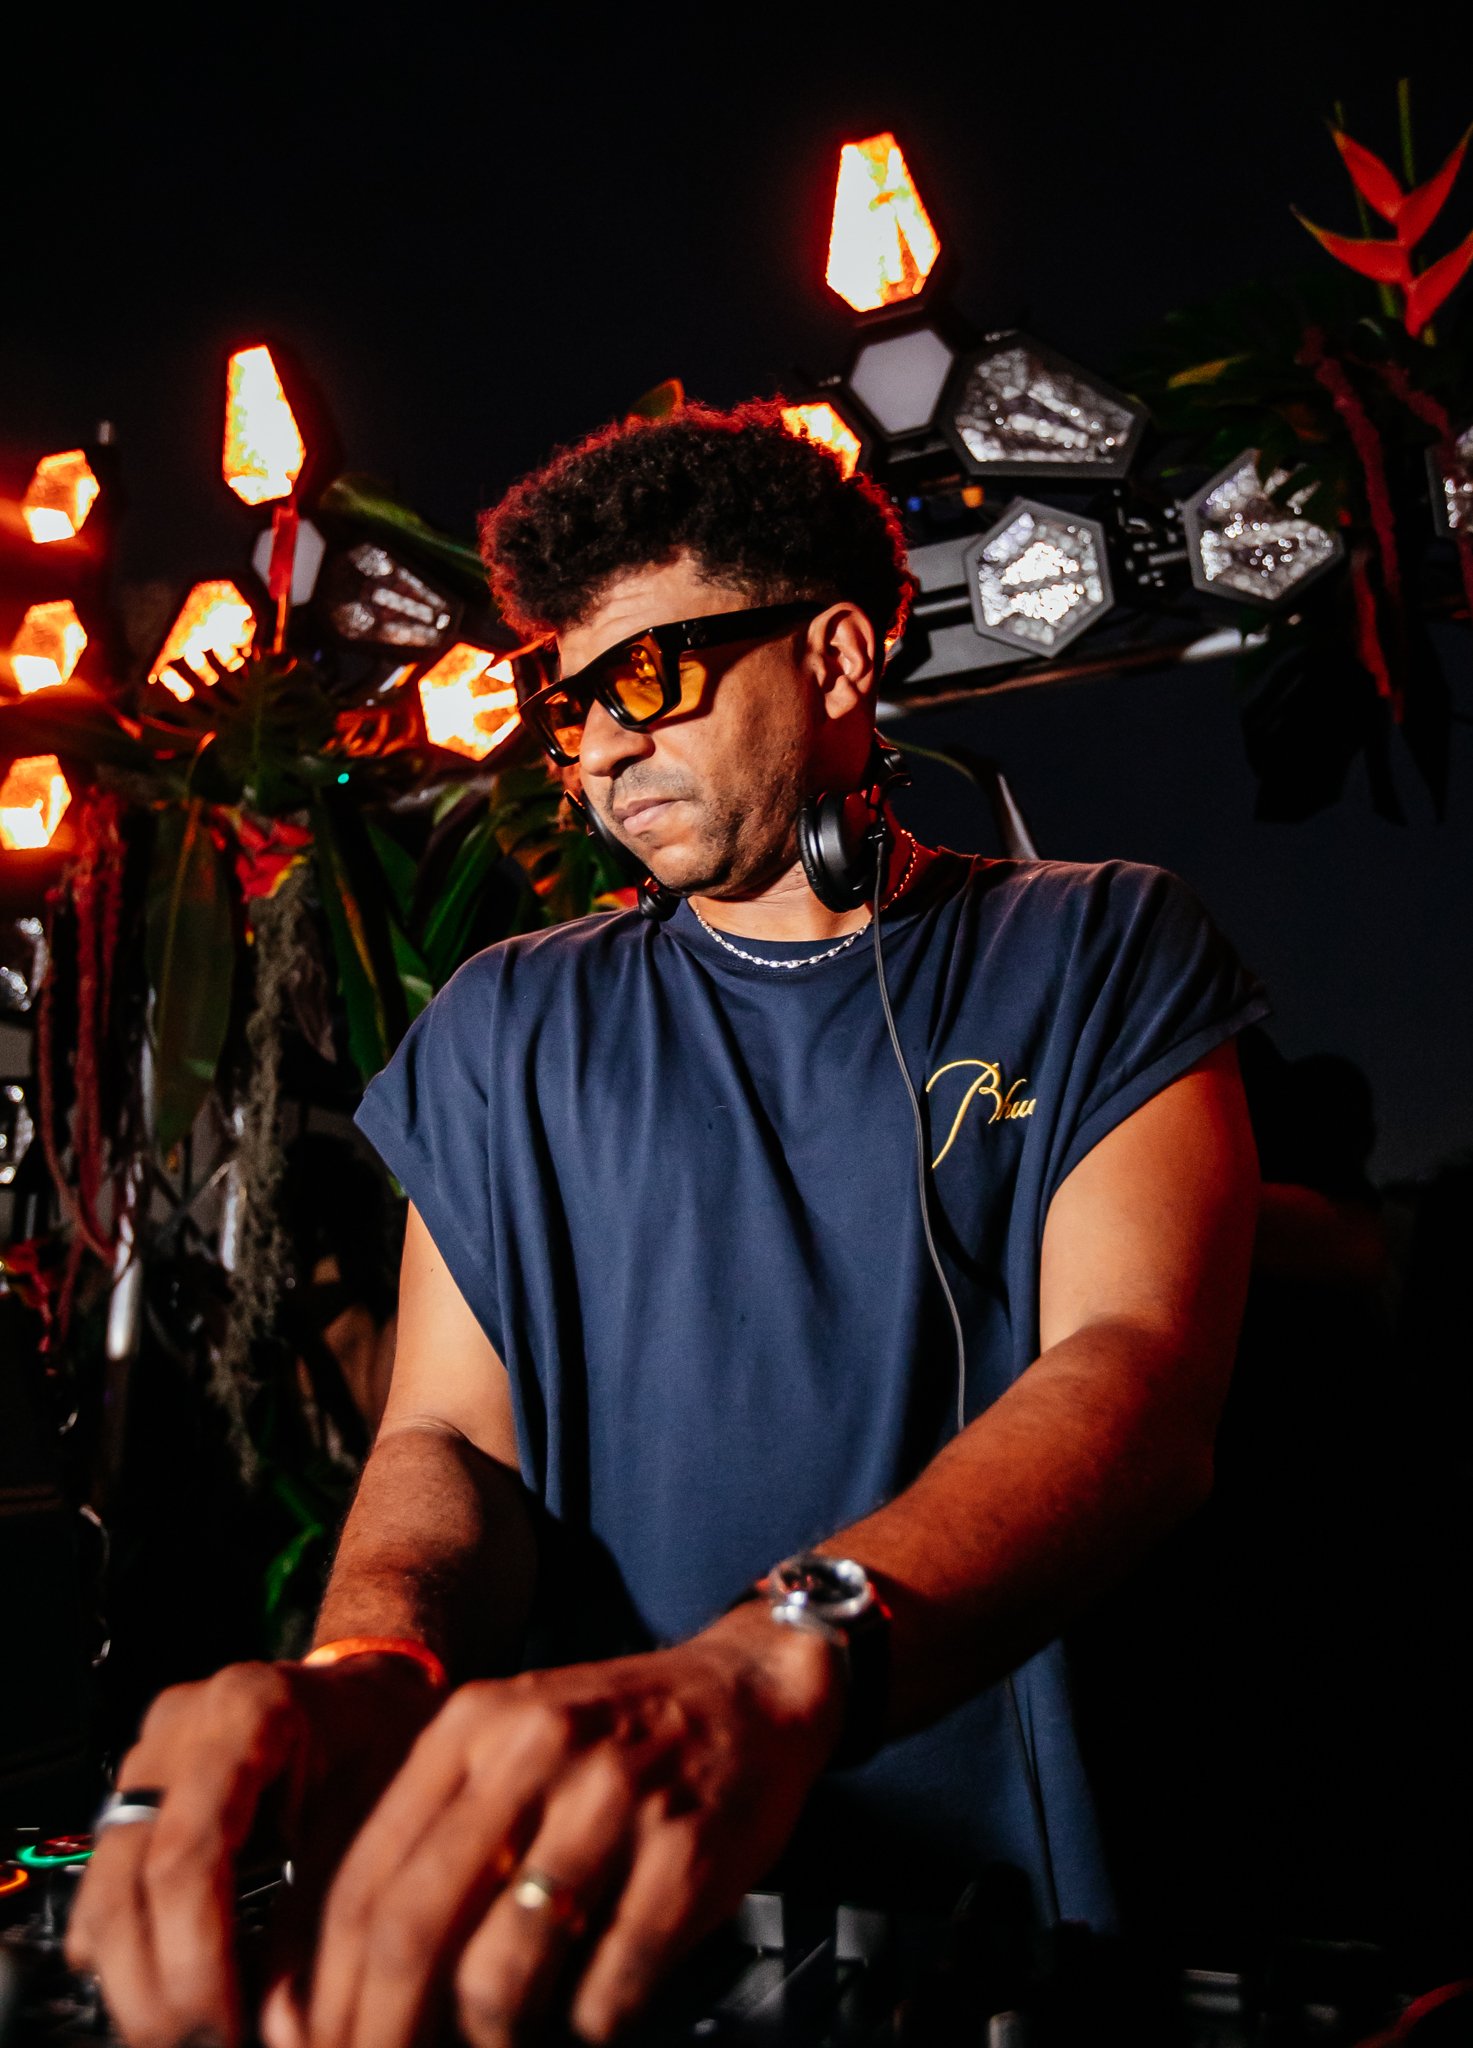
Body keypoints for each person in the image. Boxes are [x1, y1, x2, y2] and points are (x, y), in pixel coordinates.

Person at [67, 402, 1265, 2048]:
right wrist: (369, 1669)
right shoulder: (503, 1024)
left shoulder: (1097, 945)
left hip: (1014, 1925)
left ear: (834, 657)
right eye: (570, 704)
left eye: (645, 678)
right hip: (608, 1916)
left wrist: (769, 1666)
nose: (598, 749)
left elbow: (1134, 1371)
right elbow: (447, 1439)